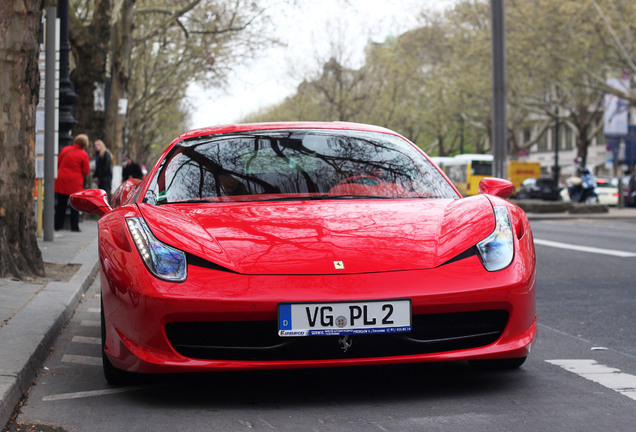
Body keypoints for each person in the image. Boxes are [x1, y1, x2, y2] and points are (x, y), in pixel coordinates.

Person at [55, 134, 90, 231]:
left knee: (60, 204)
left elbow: (58, 163)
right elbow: (85, 171)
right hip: (74, 182)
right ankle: (74, 227)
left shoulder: (65, 149)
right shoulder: (83, 154)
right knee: (74, 206)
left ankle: (57, 225)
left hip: (61, 180)